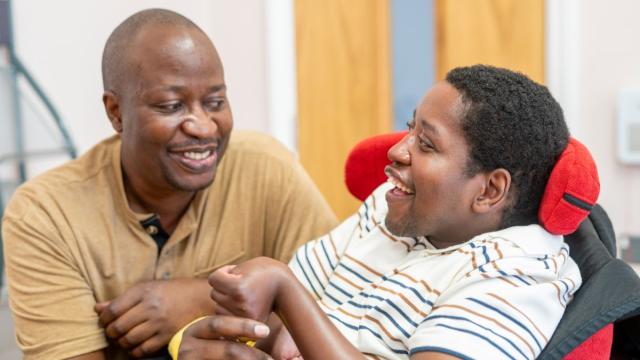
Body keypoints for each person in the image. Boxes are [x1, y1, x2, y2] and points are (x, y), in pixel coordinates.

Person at [178, 65, 582, 360]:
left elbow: (293, 299)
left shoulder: (518, 273)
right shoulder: (388, 210)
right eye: (409, 129)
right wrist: (239, 341)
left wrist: (283, 287)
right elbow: (290, 320)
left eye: (426, 144)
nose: (396, 151)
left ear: (489, 190)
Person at [1, 8, 337, 360]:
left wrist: (198, 299)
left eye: (216, 102)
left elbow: (345, 304)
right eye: (172, 105)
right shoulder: (46, 214)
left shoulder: (268, 170)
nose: (204, 127)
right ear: (116, 112)